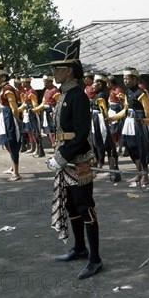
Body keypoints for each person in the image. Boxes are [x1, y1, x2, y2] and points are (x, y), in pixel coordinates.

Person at [45, 39, 103, 280]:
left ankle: (95, 259)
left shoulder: (78, 96)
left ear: (68, 69)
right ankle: (80, 248)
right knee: (71, 206)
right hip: (65, 159)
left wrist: (61, 157)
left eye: (55, 68)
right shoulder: (65, 94)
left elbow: (80, 135)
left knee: (85, 207)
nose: (52, 73)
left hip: (78, 161)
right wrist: (59, 155)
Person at [108, 68, 149, 188]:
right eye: (124, 78)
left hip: (139, 123)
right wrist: (113, 118)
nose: (125, 80)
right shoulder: (128, 92)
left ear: (134, 79)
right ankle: (138, 173)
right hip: (129, 123)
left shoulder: (141, 93)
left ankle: (145, 175)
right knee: (131, 149)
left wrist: (145, 122)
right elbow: (126, 109)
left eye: (127, 78)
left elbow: (148, 111)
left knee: (141, 149)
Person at [0, 68, 22, 182]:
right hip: (3, 117)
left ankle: (16, 173)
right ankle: (12, 168)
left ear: (3, 78)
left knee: (12, 142)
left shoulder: (8, 89)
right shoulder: (3, 89)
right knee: (6, 142)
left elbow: (14, 108)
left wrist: (17, 120)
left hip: (9, 118)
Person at [33, 75, 60, 148]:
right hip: (45, 114)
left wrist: (54, 112)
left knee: (54, 131)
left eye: (45, 81)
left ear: (50, 82)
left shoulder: (55, 90)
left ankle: (56, 149)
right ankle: (53, 146)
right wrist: (35, 110)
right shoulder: (46, 90)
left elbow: (58, 104)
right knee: (48, 131)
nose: (43, 83)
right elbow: (43, 103)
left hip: (52, 114)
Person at [18, 76, 41, 156]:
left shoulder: (31, 92)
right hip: (26, 113)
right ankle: (32, 148)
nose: (22, 84)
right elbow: (24, 104)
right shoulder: (26, 92)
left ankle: (38, 149)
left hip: (31, 114)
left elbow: (34, 104)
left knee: (34, 131)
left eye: (23, 82)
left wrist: (36, 112)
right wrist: (17, 110)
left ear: (26, 83)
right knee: (29, 132)